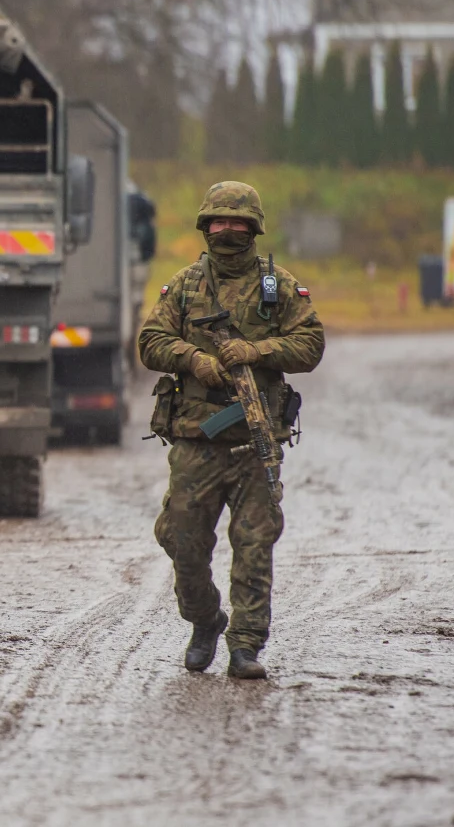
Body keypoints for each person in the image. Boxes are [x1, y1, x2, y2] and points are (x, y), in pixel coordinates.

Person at [139, 181, 324, 677]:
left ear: (254, 228)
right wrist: (194, 359)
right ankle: (205, 620)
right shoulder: (183, 286)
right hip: (195, 442)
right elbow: (150, 340)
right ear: (205, 226)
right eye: (218, 221)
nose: (227, 230)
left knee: (254, 545)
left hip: (254, 441)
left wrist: (258, 352)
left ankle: (245, 645)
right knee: (181, 541)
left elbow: (310, 344)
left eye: (237, 222)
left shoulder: (278, 287)